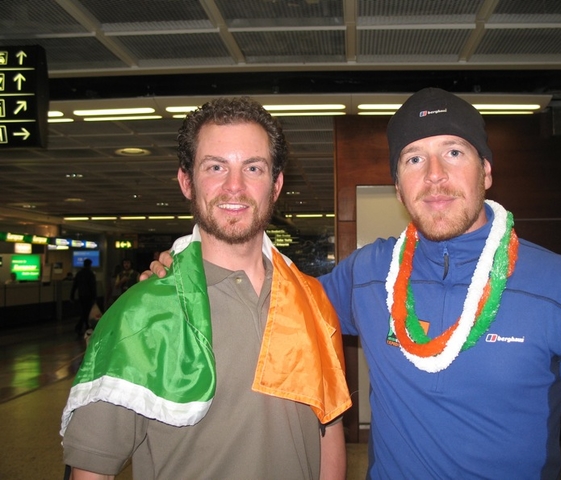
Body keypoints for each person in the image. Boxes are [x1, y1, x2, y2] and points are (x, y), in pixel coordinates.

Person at [148, 88, 561, 479]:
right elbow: (282, 300)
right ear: (398, 186)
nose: (435, 176)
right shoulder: (368, 274)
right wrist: (184, 270)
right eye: (413, 159)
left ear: (486, 170)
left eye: (454, 152)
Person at [60, 96, 351, 480]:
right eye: (216, 166)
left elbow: (328, 431)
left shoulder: (311, 301)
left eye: (253, 167)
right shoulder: (142, 315)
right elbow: (92, 469)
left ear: (276, 184)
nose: (235, 186)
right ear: (186, 181)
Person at [70, 258, 97, 338]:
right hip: (89, 296)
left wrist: (72, 295)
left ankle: (82, 327)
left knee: (84, 312)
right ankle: (82, 327)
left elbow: (75, 285)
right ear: (90, 265)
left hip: (81, 295)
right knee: (86, 312)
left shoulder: (79, 273)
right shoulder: (90, 274)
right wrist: (94, 297)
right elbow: (93, 287)